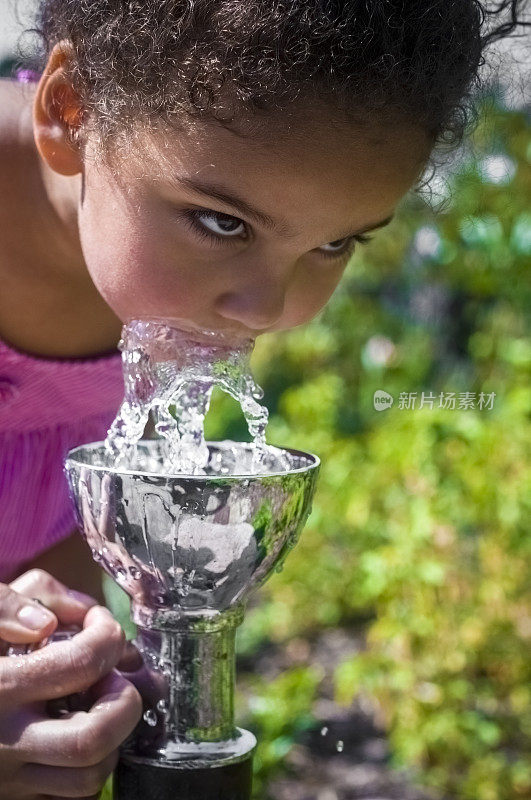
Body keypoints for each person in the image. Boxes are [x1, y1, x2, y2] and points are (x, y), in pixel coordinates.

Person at [0, 1, 527, 796]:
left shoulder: (147, 283)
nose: (269, 310)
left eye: (334, 242)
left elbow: (32, 523)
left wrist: (63, 674)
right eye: (221, 222)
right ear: (72, 112)